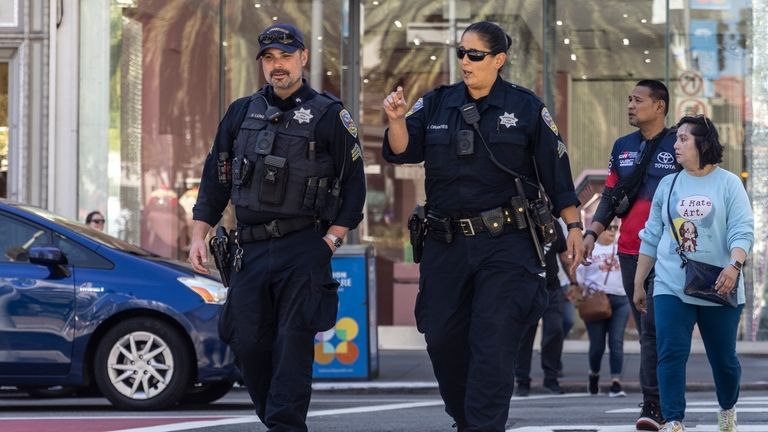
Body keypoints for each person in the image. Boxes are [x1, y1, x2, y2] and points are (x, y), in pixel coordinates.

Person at [381, 21, 584, 432]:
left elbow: (556, 174)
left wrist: (575, 228)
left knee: (492, 344)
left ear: (498, 59)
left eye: (475, 55)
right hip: (445, 242)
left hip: (506, 245)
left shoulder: (525, 108)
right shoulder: (436, 103)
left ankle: (482, 426)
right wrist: (397, 119)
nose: (465, 62)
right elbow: (402, 152)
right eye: (461, 53)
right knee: (440, 339)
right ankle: (468, 420)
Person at [188, 23, 366, 432]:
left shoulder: (329, 115)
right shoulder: (241, 112)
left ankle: (286, 426)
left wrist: (331, 241)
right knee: (248, 344)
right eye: (269, 58)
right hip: (248, 250)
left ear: (303, 57)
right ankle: (278, 421)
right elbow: (216, 179)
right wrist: (200, 233)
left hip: (303, 246)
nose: (277, 66)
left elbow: (355, 187)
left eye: (285, 57)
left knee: (292, 347)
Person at [634, 115, 753, 432]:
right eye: (676, 139)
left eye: (683, 138)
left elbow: (742, 230)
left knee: (724, 360)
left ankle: (727, 408)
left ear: (703, 143)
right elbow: (652, 234)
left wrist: (735, 264)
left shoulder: (728, 183)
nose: (676, 144)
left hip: (720, 282)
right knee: (670, 352)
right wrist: (638, 282)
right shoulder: (668, 184)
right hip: (672, 282)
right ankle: (673, 420)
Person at [582, 79, 678, 431]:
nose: (630, 105)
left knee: (659, 329)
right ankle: (656, 405)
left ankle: (661, 403)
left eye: (638, 100)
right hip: (629, 253)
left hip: (669, 255)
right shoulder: (622, 146)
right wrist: (593, 233)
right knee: (647, 331)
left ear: (659, 106)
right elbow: (609, 195)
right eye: (629, 99)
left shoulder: (679, 143)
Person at [515, 221, 570, 396]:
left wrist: (574, 282)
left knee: (555, 330)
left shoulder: (553, 224)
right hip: (527, 287)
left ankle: (551, 378)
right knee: (525, 336)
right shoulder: (520, 223)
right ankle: (522, 380)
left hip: (552, 288)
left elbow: (564, 256)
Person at [575, 221, 629, 397]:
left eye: (615, 228)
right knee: (597, 345)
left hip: (620, 298)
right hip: (596, 299)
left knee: (616, 341)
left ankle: (616, 382)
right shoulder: (591, 249)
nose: (612, 231)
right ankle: (594, 375)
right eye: (609, 228)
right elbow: (579, 276)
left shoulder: (621, 247)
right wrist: (586, 290)